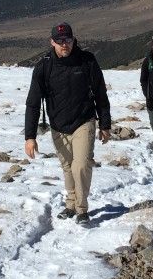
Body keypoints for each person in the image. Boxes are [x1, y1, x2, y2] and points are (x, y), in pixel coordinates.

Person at [25, 22, 112, 225]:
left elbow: (100, 94)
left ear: (74, 39)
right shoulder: (44, 67)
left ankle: (82, 209)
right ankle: (70, 204)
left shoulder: (87, 61)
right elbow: (33, 103)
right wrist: (30, 136)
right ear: (52, 42)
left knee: (80, 166)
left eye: (68, 40)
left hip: (84, 121)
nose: (65, 44)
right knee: (68, 168)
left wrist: (105, 125)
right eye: (60, 41)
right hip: (58, 126)